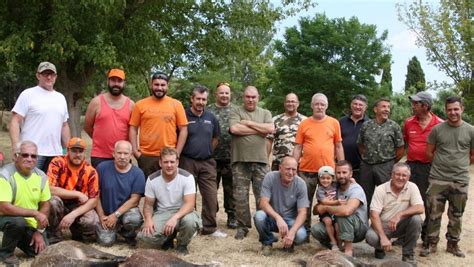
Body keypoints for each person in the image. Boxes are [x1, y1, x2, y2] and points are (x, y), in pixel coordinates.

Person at [421, 96, 474, 258]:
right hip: (438, 179)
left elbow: (472, 155)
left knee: (456, 215)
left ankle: (453, 244)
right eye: (450, 109)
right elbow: (429, 153)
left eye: (456, 109)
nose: (453, 112)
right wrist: (441, 167)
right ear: (445, 110)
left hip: (460, 180)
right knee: (433, 213)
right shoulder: (437, 129)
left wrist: (460, 166)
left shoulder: (471, 130)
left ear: (462, 109)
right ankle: (431, 244)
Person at [293, 93, 344, 232]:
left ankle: (329, 233)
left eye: (322, 104)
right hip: (306, 171)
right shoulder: (304, 123)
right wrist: (293, 166)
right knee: (305, 202)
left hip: (328, 172)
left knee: (329, 201)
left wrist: (341, 166)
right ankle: (304, 231)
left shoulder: (334, 123)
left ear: (326, 106)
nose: (319, 107)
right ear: (312, 105)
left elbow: (338, 146)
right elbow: (298, 147)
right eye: (317, 104)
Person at [179, 85, 226, 238]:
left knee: (211, 196)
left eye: (204, 99)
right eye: (198, 99)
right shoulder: (183, 115)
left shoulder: (211, 117)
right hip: (187, 161)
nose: (201, 102)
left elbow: (215, 138)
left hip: (207, 162)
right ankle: (190, 226)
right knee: (187, 196)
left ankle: (209, 227)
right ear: (192, 99)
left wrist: (206, 151)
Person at [229, 86, 274, 240]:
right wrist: (260, 130)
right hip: (240, 160)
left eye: (253, 97)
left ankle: (264, 225)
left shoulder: (265, 113)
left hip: (261, 161)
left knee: (262, 196)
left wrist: (247, 123)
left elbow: (270, 128)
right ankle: (243, 226)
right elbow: (234, 129)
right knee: (240, 196)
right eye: (248, 96)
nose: (250, 99)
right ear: (243, 97)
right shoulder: (236, 111)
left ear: (258, 97)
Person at [138, 147, 202, 255]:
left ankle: (182, 245)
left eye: (172, 162)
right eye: (165, 162)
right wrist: (148, 220)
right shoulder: (152, 179)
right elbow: (148, 205)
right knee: (144, 238)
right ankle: (168, 238)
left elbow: (190, 204)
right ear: (160, 163)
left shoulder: (187, 177)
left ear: (177, 162)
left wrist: (174, 218)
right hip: (162, 213)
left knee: (190, 222)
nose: (169, 165)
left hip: (183, 212)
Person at [9, 62, 71, 172]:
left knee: (50, 188)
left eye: (52, 74)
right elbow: (15, 121)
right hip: (31, 154)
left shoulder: (60, 98)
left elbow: (64, 125)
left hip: (55, 154)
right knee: (28, 185)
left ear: (56, 77)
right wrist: (15, 146)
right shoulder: (28, 94)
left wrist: (68, 149)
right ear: (38, 76)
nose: (49, 77)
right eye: (45, 74)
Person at [129, 72, 188, 177]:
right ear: (151, 85)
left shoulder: (176, 104)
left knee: (169, 189)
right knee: (148, 190)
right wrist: (135, 151)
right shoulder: (140, 105)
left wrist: (177, 152)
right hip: (147, 156)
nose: (159, 88)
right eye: (156, 84)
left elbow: (183, 129)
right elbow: (133, 128)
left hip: (169, 155)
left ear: (167, 86)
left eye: (162, 85)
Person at [0, 141, 50, 265]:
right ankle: (6, 254)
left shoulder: (41, 176)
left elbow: (46, 203)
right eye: (25, 155)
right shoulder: (5, 175)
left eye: (33, 156)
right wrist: (34, 213)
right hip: (5, 217)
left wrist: (39, 231)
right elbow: (4, 208)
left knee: (41, 253)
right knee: (18, 222)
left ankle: (19, 237)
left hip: (29, 223)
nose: (29, 159)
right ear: (16, 156)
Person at [365, 162, 424, 266]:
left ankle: (408, 255)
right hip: (383, 225)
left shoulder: (412, 187)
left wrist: (400, 215)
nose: (400, 178)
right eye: (397, 174)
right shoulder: (381, 189)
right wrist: (383, 237)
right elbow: (373, 215)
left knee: (416, 219)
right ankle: (380, 247)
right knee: (371, 237)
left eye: (404, 175)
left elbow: (420, 208)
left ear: (408, 177)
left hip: (400, 224)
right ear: (391, 175)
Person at [403, 91, 443, 243]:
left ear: (425, 106)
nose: (413, 106)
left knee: (429, 202)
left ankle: (428, 236)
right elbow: (406, 142)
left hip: (430, 167)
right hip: (411, 166)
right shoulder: (408, 123)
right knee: (407, 200)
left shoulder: (439, 124)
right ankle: (403, 234)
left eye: (416, 103)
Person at [46, 137, 99, 243]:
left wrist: (72, 215)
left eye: (80, 151)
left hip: (77, 206)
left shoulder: (90, 171)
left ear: (84, 153)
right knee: (52, 202)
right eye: (74, 151)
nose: (77, 154)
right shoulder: (58, 162)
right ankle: (54, 235)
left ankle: (78, 234)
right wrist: (77, 194)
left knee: (92, 220)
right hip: (60, 203)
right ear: (68, 151)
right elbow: (49, 189)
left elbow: (94, 200)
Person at [311, 160, 368, 257]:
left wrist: (326, 207)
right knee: (317, 229)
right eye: (338, 172)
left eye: (344, 172)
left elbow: (347, 211)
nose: (341, 176)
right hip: (337, 222)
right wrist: (321, 206)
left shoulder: (356, 189)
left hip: (358, 228)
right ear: (335, 175)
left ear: (351, 174)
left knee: (342, 214)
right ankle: (334, 244)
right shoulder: (333, 187)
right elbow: (316, 211)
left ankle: (348, 250)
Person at [253, 157, 308, 256]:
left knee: (301, 235)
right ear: (280, 168)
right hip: (272, 218)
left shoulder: (301, 184)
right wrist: (278, 218)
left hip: (290, 220)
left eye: (294, 169)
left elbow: (303, 212)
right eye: (288, 169)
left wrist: (292, 232)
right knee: (259, 216)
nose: (291, 172)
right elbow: (263, 203)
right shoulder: (270, 177)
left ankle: (288, 243)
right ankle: (267, 242)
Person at [95, 141, 145, 247]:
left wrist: (115, 215)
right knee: (106, 242)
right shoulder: (102, 168)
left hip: (124, 213)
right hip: (106, 215)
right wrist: (101, 215)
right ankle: (110, 230)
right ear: (113, 153)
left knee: (134, 219)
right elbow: (96, 194)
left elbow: (134, 200)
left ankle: (127, 233)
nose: (122, 156)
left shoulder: (138, 173)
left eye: (126, 153)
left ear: (131, 154)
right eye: (119, 153)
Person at [357, 98, 404, 208]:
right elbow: (360, 145)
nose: (386, 109)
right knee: (364, 195)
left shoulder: (394, 126)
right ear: (375, 109)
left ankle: (384, 223)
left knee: (387, 196)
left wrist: (390, 162)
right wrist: (367, 157)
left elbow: (400, 148)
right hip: (366, 166)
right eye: (383, 107)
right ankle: (364, 222)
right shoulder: (366, 125)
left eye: (388, 107)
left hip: (385, 166)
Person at [84, 68, 134, 168]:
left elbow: (133, 131)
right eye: (113, 80)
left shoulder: (131, 105)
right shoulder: (96, 102)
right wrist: (100, 140)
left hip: (122, 155)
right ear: (108, 81)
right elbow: (87, 127)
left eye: (119, 81)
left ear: (124, 83)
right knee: (99, 183)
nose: (116, 84)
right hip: (99, 155)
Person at [208, 82, 237, 229]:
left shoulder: (237, 111)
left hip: (232, 157)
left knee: (231, 189)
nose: (224, 95)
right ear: (216, 94)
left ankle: (232, 216)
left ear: (230, 95)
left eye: (227, 93)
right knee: (211, 189)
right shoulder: (209, 110)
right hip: (212, 157)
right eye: (221, 93)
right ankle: (211, 215)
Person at [267, 93, 307, 171]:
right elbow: (269, 141)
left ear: (298, 104)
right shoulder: (275, 120)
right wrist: (266, 160)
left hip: (299, 164)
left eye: (293, 101)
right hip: (279, 163)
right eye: (288, 101)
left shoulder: (305, 121)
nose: (290, 104)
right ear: (284, 103)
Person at [339, 94, 369, 180]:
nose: (357, 107)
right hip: (342, 168)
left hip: (362, 169)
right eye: (355, 104)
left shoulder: (370, 124)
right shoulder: (341, 121)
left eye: (360, 105)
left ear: (365, 107)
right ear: (351, 105)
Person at [316, 166, 339, 250]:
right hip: (325, 211)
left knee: (337, 223)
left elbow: (345, 182)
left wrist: (352, 180)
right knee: (328, 221)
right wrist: (336, 202)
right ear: (319, 179)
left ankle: (339, 242)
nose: (325, 180)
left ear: (332, 178)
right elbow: (324, 202)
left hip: (335, 210)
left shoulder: (335, 185)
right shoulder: (320, 190)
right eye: (323, 178)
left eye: (328, 178)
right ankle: (333, 242)